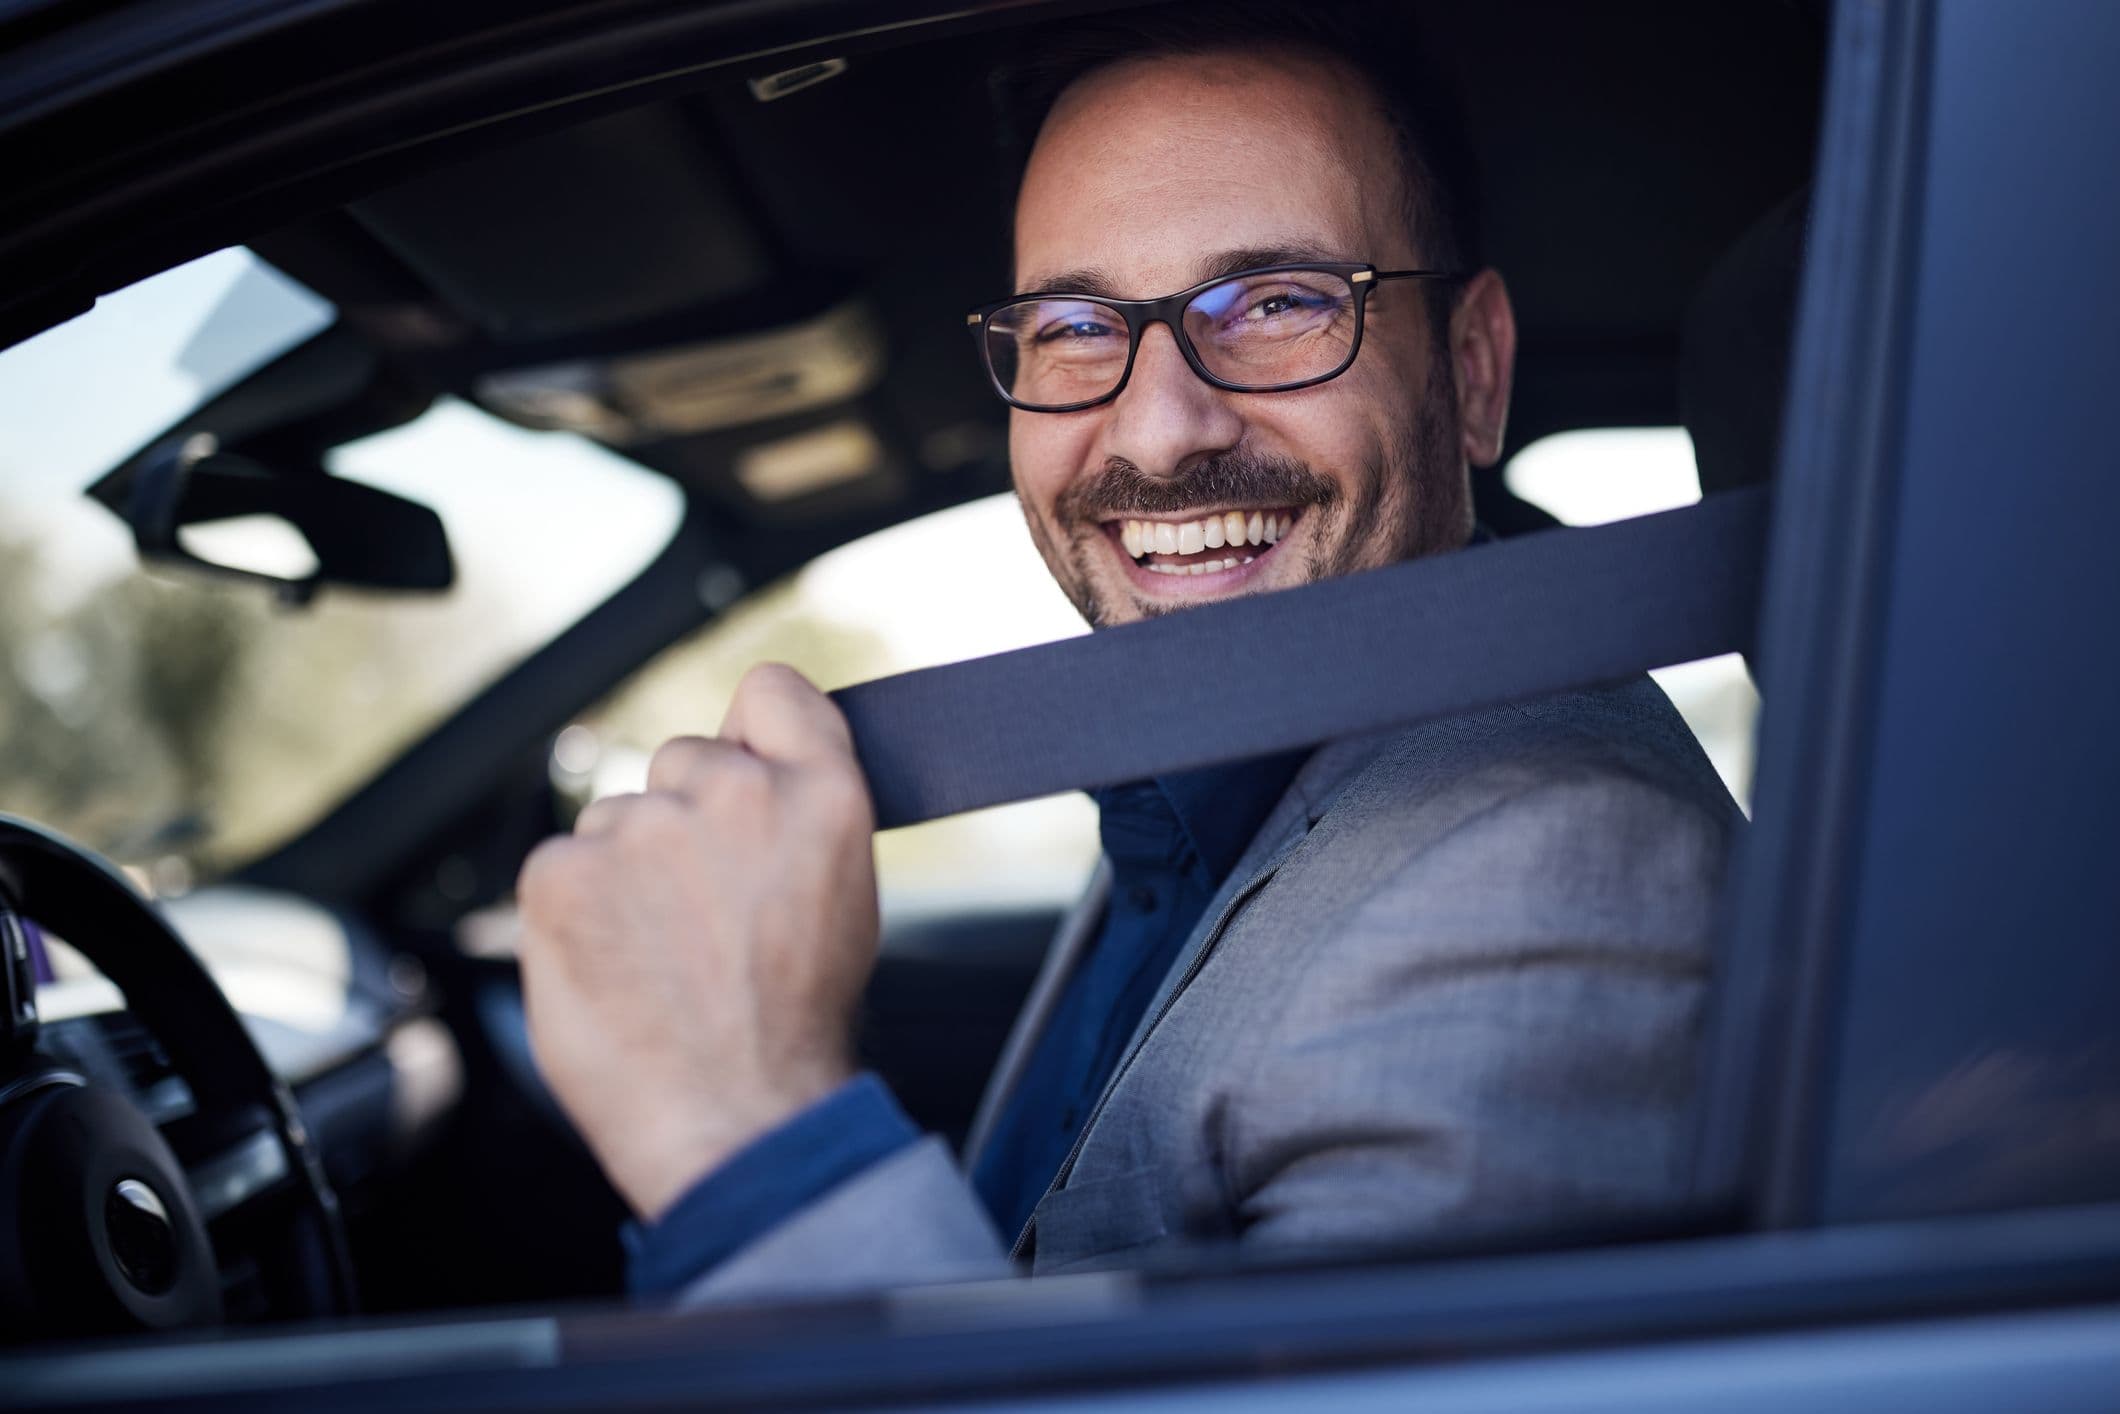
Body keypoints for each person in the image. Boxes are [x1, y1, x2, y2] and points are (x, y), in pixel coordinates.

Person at [514, 4, 1740, 1302]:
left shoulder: (1552, 875)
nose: (1158, 433)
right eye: (1078, 326)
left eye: (1276, 300)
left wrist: (750, 1135)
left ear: (1474, 370)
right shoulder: (1209, 762)